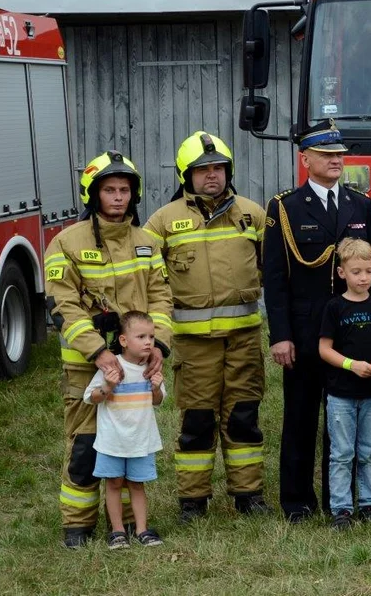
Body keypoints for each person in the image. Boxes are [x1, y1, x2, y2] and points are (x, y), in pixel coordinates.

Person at [44, 150, 173, 549]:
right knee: (85, 446)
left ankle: (133, 525)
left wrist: (158, 349)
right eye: (109, 190)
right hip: (87, 368)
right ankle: (78, 526)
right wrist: (98, 353)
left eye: (124, 190)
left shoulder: (147, 243)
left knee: (133, 443)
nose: (118, 197)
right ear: (93, 195)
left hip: (136, 369)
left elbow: (161, 297)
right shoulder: (65, 243)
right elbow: (62, 305)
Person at [144, 131, 270, 523]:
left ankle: (248, 495)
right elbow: (147, 279)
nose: (211, 176)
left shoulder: (253, 214)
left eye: (218, 168)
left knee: (243, 418)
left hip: (244, 341)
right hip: (193, 346)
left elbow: (275, 272)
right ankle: (193, 501)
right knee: (197, 422)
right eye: (202, 170)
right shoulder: (162, 222)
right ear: (187, 175)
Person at [263, 120, 371, 522]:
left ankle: (341, 501)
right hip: (306, 332)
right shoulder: (285, 207)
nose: (336, 160)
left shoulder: (360, 204)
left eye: (340, 155)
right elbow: (275, 279)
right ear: (305, 159)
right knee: (300, 417)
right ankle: (296, 501)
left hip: (352, 334)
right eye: (328, 154)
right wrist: (280, 336)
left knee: (342, 419)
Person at [318, 238, 371, 530]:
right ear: (342, 273)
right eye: (356, 272)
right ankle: (341, 509)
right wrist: (352, 365)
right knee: (342, 452)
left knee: (368, 450)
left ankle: (368, 504)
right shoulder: (334, 307)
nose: (363, 277)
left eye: (368, 271)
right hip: (341, 393)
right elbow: (324, 349)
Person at [83, 311, 167, 548]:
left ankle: (142, 530)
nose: (148, 342)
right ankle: (118, 531)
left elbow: (158, 401)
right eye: (141, 336)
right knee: (113, 484)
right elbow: (91, 398)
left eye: (151, 336)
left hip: (141, 440)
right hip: (112, 441)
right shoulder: (111, 367)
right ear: (123, 340)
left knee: (137, 485)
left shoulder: (151, 368)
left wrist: (157, 388)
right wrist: (107, 386)